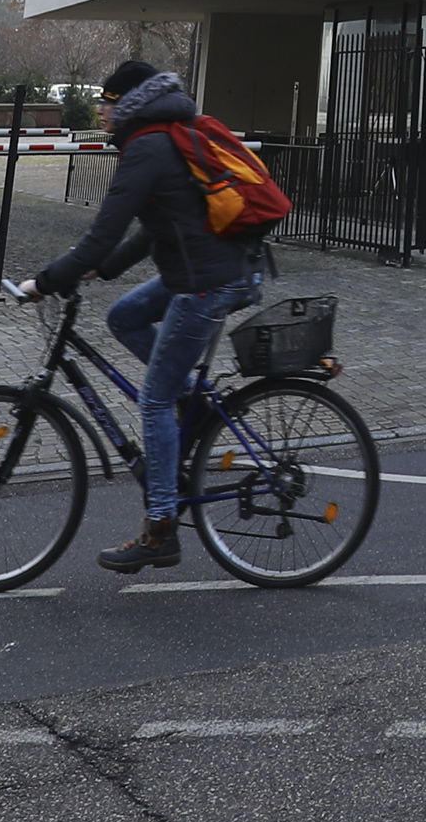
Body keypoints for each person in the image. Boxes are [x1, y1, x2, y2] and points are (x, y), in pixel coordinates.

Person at [16, 62, 265, 571]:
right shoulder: (163, 137)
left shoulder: (148, 145)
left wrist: (46, 281)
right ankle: (187, 399)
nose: (103, 112)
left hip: (209, 282)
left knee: (152, 400)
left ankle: (161, 529)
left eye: (109, 103)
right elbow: (155, 230)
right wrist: (98, 271)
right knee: (125, 315)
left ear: (130, 104)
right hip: (212, 269)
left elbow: (103, 231)